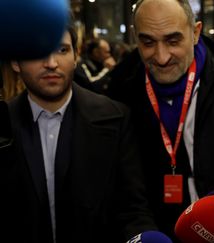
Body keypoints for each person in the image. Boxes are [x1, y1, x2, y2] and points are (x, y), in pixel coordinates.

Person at [106, 0, 214, 239]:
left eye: (173, 41)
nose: (161, 57)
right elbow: (124, 191)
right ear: (134, 38)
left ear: (195, 33)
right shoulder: (120, 89)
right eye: (148, 42)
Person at [6, 25, 157, 243]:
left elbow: (133, 209)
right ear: (15, 63)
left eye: (62, 50)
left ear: (76, 57)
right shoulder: (3, 124)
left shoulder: (115, 118)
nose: (51, 63)